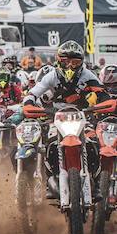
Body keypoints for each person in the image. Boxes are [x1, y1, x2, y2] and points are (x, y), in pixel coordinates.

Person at [23, 41, 109, 199]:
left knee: (94, 143)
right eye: (66, 61)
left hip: (82, 116)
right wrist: (29, 103)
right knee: (49, 143)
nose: (70, 66)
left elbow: (103, 93)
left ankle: (96, 184)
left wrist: (104, 104)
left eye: (75, 62)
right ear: (58, 60)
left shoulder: (88, 75)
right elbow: (33, 92)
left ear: (81, 63)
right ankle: (51, 178)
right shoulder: (51, 76)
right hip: (56, 117)